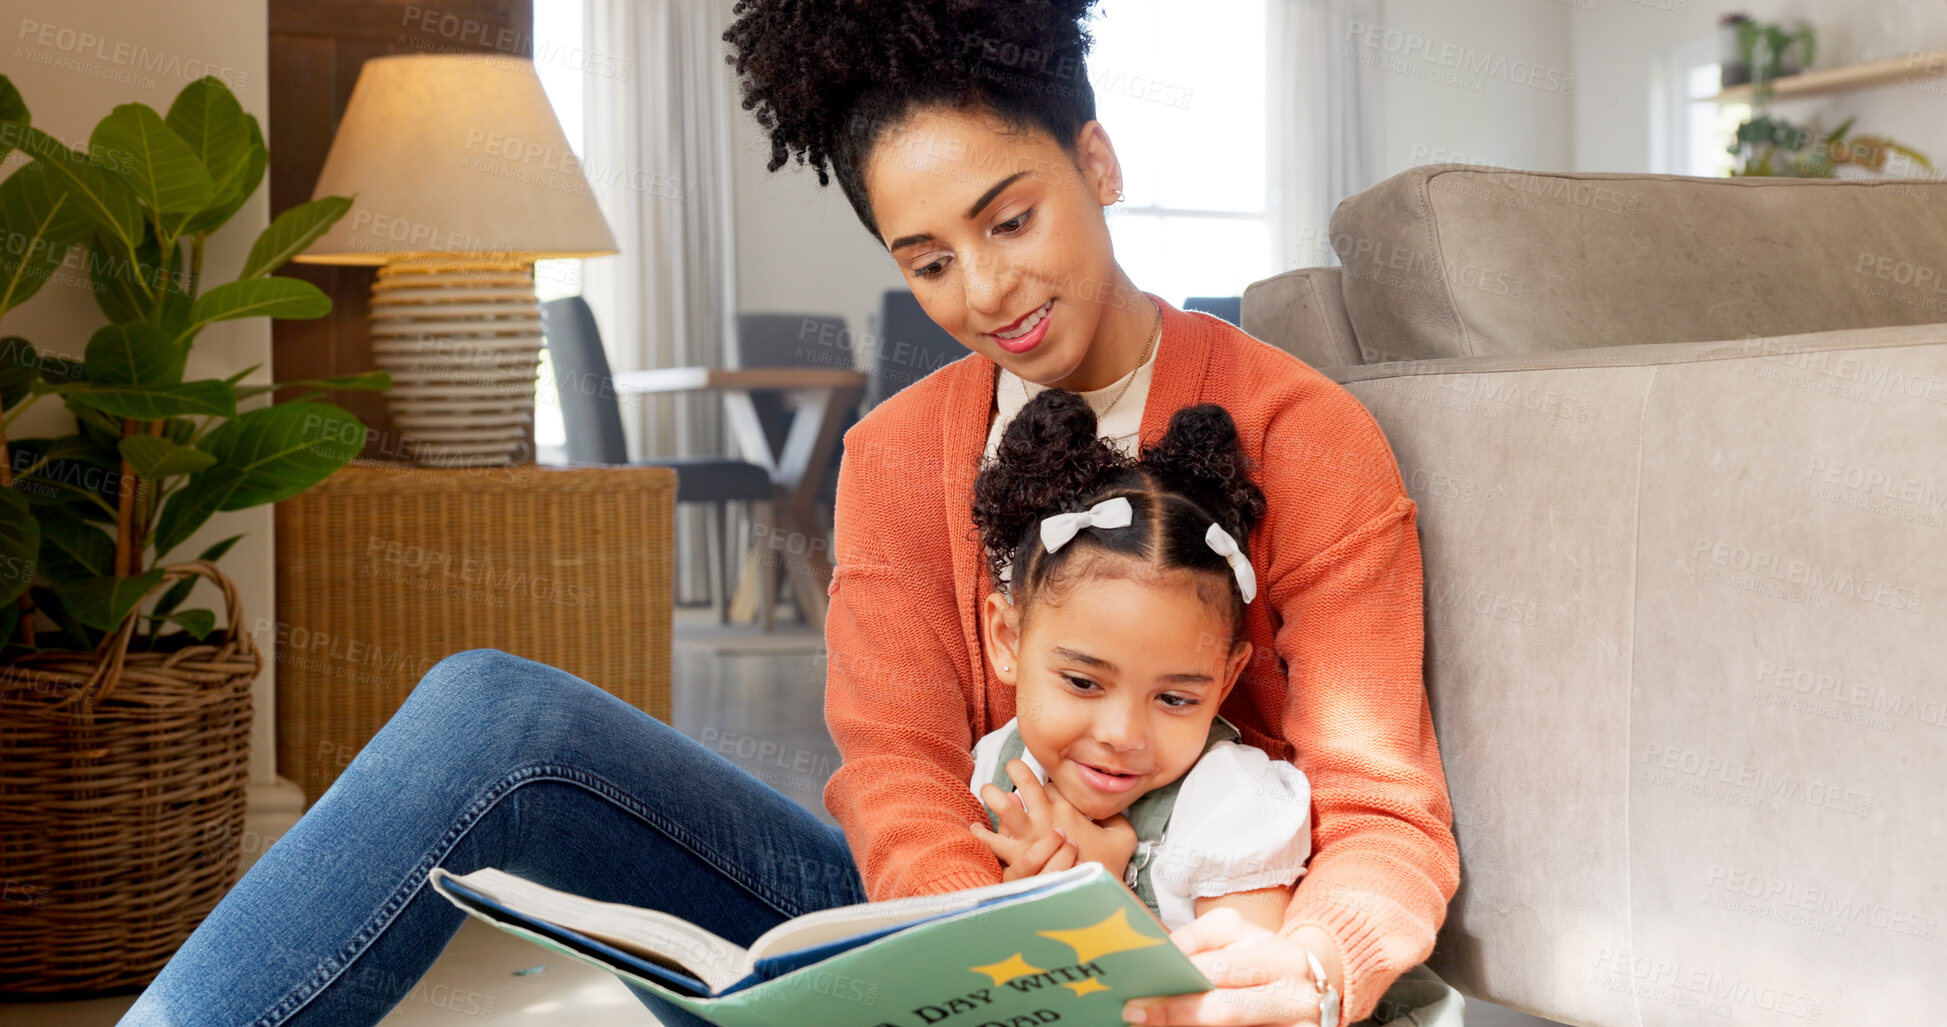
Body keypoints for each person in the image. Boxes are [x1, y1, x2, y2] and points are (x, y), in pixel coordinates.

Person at [122, 0, 1461, 1024]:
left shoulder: (1301, 433)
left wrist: (1315, 961)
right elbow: (891, 762)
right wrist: (991, 944)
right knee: (495, 713)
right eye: (925, 259)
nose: (986, 291)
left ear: (1095, 162)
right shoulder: (894, 454)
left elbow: (1383, 814)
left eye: (1009, 218)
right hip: (951, 927)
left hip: (1189, 940)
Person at [965, 389, 1334, 1018]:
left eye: (1173, 697)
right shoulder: (998, 763)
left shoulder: (1231, 803)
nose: (1121, 733)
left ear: (1226, 678)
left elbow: (1245, 1006)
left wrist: (1102, 894)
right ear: (1007, 639)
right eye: (1083, 682)